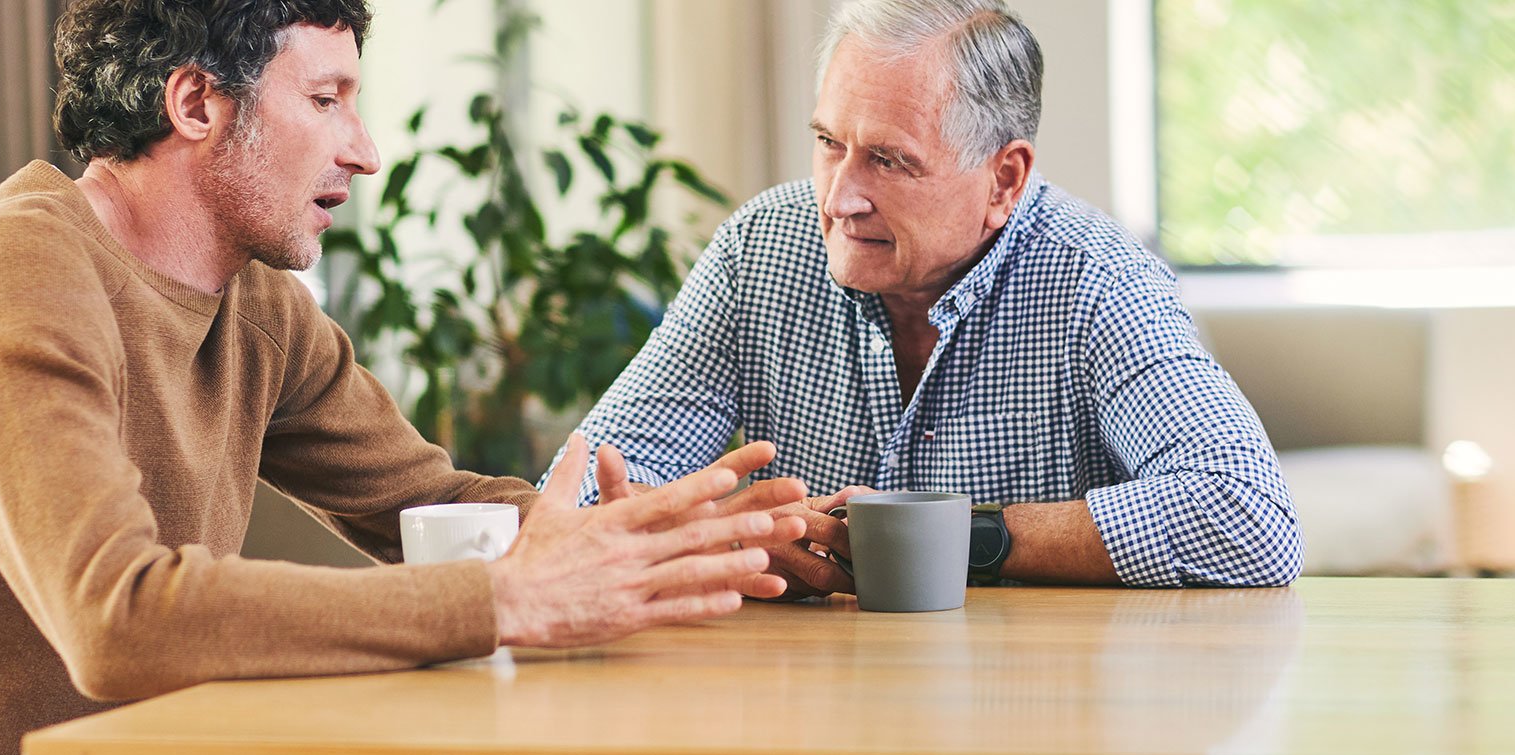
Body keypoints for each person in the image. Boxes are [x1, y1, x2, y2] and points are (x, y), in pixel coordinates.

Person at [0, 2, 809, 755]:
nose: (368, 149)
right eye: (326, 99)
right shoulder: (8, 273)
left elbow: (424, 510)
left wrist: (654, 538)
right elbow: (119, 617)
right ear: (197, 101)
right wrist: (506, 598)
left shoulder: (255, 308)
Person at [550, 0, 1302, 597]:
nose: (840, 198)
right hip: (805, 709)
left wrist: (956, 537)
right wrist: (726, 530)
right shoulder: (761, 249)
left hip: (1039, 711)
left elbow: (1248, 514)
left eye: (888, 160)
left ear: (1004, 179)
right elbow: (580, 484)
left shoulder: (1098, 280)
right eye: (828, 143)